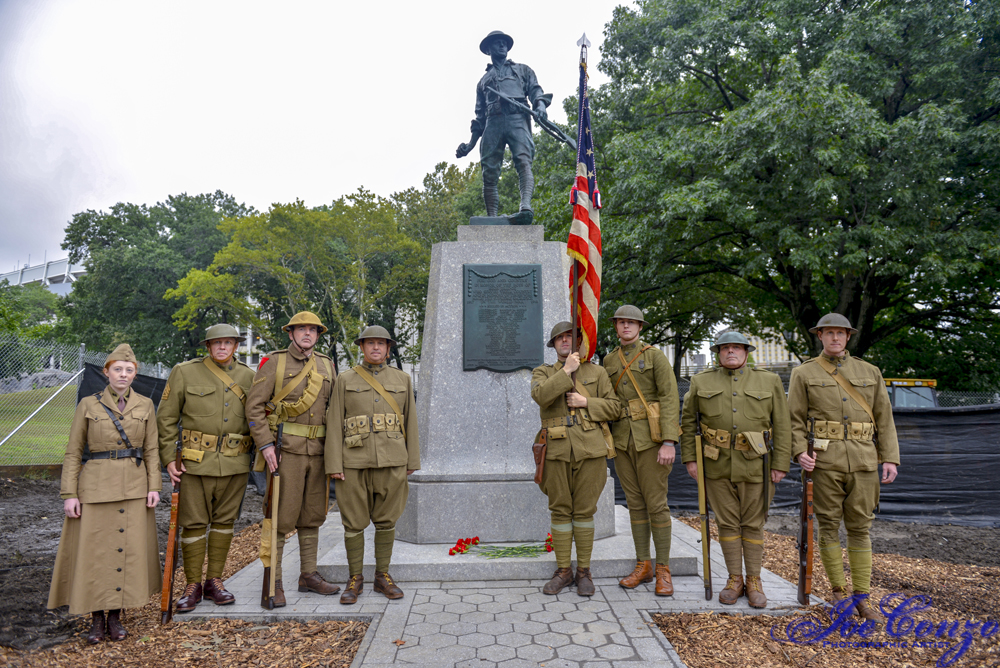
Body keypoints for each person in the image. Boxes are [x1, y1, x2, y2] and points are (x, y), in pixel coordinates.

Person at [788, 313, 900, 621]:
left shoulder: (870, 371)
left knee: (860, 529)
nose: (835, 338)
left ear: (848, 337)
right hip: (824, 462)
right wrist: (799, 452)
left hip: (864, 461)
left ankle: (862, 597)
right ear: (820, 336)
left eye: (840, 333)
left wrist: (889, 457)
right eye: (829, 333)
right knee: (828, 527)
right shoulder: (803, 373)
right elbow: (793, 420)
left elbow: (884, 417)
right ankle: (839, 594)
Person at [48, 344, 161, 644]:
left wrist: (154, 486)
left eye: (129, 370)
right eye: (118, 369)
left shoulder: (146, 405)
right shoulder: (88, 404)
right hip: (95, 488)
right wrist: (69, 494)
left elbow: (152, 450)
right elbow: (73, 452)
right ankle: (96, 620)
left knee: (125, 551)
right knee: (95, 554)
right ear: (106, 372)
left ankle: (115, 618)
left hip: (134, 489)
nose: (123, 375)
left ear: (135, 374)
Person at [681, 331, 791, 607]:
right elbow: (687, 424)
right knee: (727, 524)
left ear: (746, 352)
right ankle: (734, 579)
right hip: (715, 465)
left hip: (757, 465)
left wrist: (780, 464)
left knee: (753, 524)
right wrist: (690, 459)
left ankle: (754, 580)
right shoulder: (700, 381)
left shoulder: (770, 381)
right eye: (725, 348)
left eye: (736, 348)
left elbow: (783, 425)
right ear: (718, 353)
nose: (731, 352)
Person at [156, 324, 256, 612]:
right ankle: (192, 584)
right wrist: (168, 460)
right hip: (193, 465)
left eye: (228, 342)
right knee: (194, 523)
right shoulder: (185, 372)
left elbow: (259, 419)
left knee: (225, 523)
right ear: (208, 346)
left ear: (236, 346)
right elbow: (165, 419)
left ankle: (215, 581)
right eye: (217, 343)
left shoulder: (250, 377)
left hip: (235, 464)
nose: (222, 347)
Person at [246, 311, 340, 607]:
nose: (307, 334)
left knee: (313, 515)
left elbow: (335, 411)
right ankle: (273, 582)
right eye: (302, 330)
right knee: (279, 518)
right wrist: (265, 446)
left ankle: (308, 575)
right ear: (291, 333)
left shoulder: (326, 365)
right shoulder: (274, 362)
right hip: (285, 452)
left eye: (312, 330)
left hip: (319, 452)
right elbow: (254, 407)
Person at [326, 326, 420, 604]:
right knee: (353, 523)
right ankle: (355, 578)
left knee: (387, 521)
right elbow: (334, 423)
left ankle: (383, 576)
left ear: (388, 349)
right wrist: (334, 463)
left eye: (381, 344)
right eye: (370, 344)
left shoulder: (402, 378)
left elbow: (411, 420)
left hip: (393, 460)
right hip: (353, 462)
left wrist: (411, 459)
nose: (376, 348)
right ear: (362, 347)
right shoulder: (345, 379)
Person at [531, 321, 620, 596]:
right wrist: (566, 371)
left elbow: (615, 408)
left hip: (591, 449)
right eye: (559, 338)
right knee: (560, 510)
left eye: (570, 337)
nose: (565, 341)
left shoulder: (597, 372)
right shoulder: (543, 372)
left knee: (584, 512)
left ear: (578, 340)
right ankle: (563, 571)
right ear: (553, 345)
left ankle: (584, 571)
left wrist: (586, 403)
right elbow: (542, 396)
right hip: (556, 452)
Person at [602, 305, 679, 595]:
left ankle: (663, 569)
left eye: (631, 323)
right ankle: (643, 565)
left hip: (651, 440)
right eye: (621, 323)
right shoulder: (609, 360)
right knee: (635, 504)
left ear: (640, 327)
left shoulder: (653, 356)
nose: (626, 327)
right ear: (616, 326)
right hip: (622, 441)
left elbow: (669, 396)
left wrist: (669, 441)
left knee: (656, 504)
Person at [456, 30, 553, 223]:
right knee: (489, 171)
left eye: (504, 43)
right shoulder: (483, 82)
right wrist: (470, 144)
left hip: (518, 118)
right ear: (488, 49)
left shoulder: (523, 70)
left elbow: (535, 90)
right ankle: (492, 217)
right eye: (497, 43)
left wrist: (540, 105)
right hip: (493, 122)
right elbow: (479, 117)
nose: (502, 46)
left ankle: (525, 205)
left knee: (523, 161)